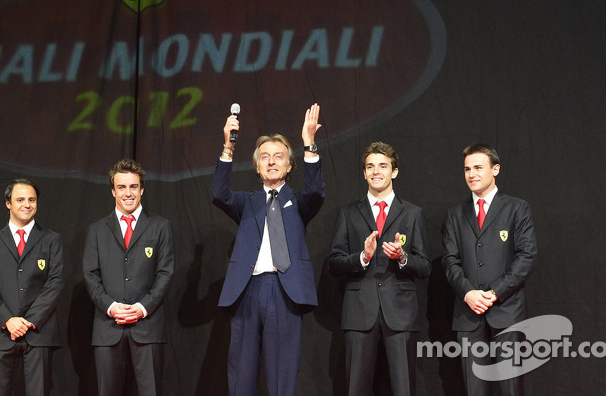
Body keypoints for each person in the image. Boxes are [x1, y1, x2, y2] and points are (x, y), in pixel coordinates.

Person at [211, 103, 325, 396]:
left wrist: (309, 143)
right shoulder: (246, 202)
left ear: (289, 165)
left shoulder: (299, 203)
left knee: (282, 378)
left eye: (278, 157)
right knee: (241, 376)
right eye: (265, 157)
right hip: (247, 290)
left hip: (285, 292)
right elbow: (219, 194)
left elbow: (315, 192)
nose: (271, 162)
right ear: (257, 167)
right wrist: (228, 147)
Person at [328, 141, 431, 396]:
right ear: (364, 173)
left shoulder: (413, 214)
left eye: (383, 166)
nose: (376, 171)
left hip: (400, 313)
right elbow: (334, 263)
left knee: (403, 387)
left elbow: (425, 266)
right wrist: (362, 257)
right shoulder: (348, 213)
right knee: (356, 388)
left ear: (394, 171)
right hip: (359, 312)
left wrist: (403, 257)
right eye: (370, 166)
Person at [442, 144, 538, 395]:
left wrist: (494, 292)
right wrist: (468, 293)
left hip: (507, 310)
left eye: (478, 167)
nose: (471, 174)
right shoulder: (455, 214)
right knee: (473, 388)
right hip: (468, 313)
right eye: (467, 169)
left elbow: (526, 256)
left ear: (495, 169)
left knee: (511, 388)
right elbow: (450, 261)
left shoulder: (517, 208)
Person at [83, 158, 174, 396]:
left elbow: (165, 273)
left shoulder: (160, 226)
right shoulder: (97, 230)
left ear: (142, 189)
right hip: (107, 327)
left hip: (148, 325)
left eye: (133, 186)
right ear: (113, 191)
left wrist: (143, 307)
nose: (128, 193)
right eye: (121, 187)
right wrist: (111, 307)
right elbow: (90, 275)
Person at [0, 178, 64, 396]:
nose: (27, 204)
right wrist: (8, 320)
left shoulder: (51, 239)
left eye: (32, 200)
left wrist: (29, 321)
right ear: (8, 203)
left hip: (39, 332)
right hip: (2, 333)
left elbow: (55, 282)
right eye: (21, 199)